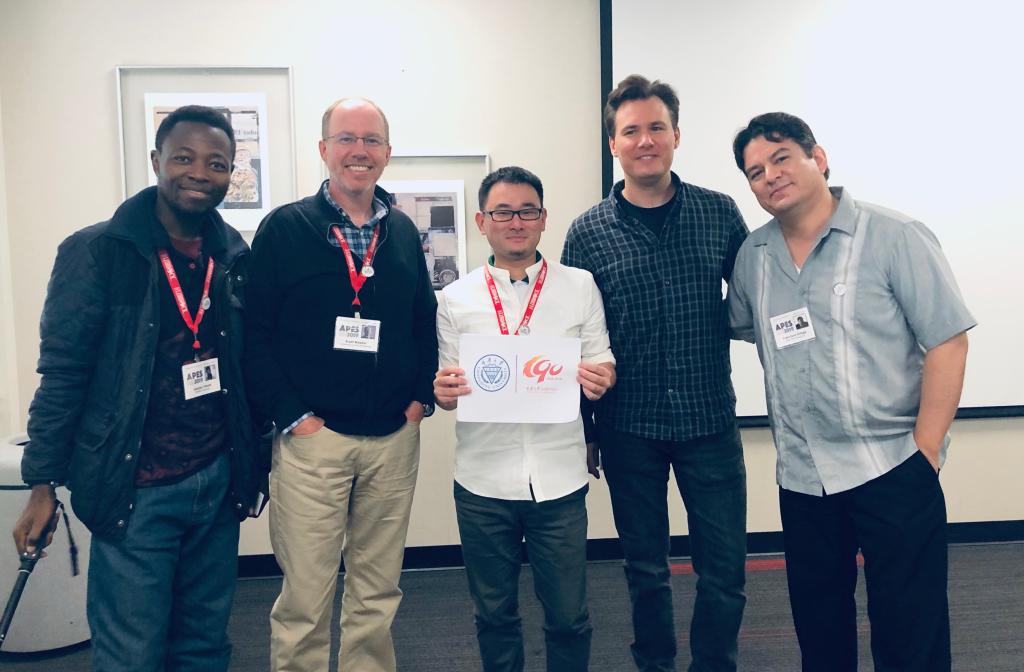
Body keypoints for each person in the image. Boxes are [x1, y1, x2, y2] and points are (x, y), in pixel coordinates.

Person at [12, 105, 263, 671]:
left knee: (203, 646)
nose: (199, 173)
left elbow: (244, 366)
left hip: (216, 481)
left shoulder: (233, 255)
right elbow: (63, 373)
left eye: (217, 163)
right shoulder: (98, 252)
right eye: (184, 157)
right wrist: (43, 484)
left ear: (230, 174)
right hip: (135, 486)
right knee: (131, 653)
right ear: (156, 161)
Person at [727, 112, 974, 672]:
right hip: (802, 475)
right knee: (820, 632)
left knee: (910, 628)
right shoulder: (753, 257)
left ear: (818, 158)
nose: (770, 176)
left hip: (891, 465)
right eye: (755, 171)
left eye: (781, 158)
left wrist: (926, 451)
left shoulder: (894, 236)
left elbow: (948, 341)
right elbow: (746, 327)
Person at [562, 75, 749, 672]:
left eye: (656, 128)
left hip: (709, 421)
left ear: (676, 135)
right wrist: (584, 428)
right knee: (645, 569)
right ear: (612, 143)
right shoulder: (588, 232)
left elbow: (757, 296)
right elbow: (574, 338)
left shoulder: (719, 214)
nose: (645, 140)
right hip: (628, 427)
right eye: (631, 131)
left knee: (724, 569)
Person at [244, 97, 438, 672]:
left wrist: (419, 400)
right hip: (313, 441)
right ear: (323, 148)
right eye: (347, 138)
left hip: (392, 440)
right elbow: (254, 334)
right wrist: (293, 416)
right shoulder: (285, 228)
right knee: (305, 596)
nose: (360, 150)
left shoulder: (401, 231)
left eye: (372, 140)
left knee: (377, 592)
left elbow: (421, 320)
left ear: (387, 152)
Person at [434, 166, 616, 671]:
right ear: (482, 222)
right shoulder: (455, 297)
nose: (516, 222)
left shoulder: (579, 286)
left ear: (543, 218)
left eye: (527, 211)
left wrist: (601, 376)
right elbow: (448, 383)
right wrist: (443, 392)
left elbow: (602, 358)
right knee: (494, 616)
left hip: (558, 480)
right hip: (482, 482)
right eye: (503, 212)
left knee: (569, 617)